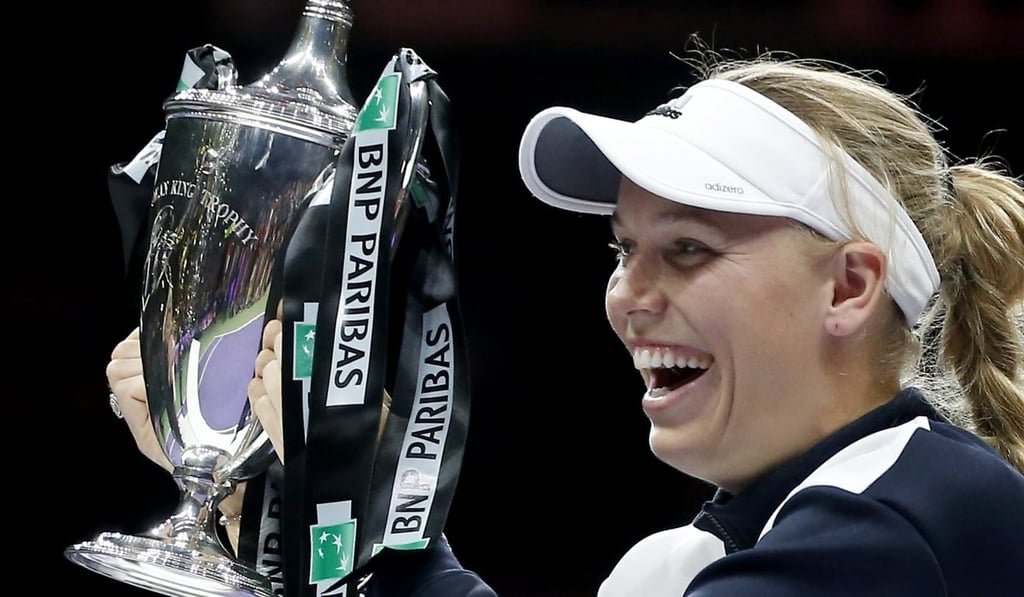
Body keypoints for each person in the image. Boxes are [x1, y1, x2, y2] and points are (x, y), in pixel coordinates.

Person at [106, 41, 1024, 595]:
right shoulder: (703, 555)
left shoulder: (898, 524)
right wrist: (267, 497)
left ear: (850, 288)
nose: (628, 295)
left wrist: (375, 508)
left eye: (689, 248)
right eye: (623, 249)